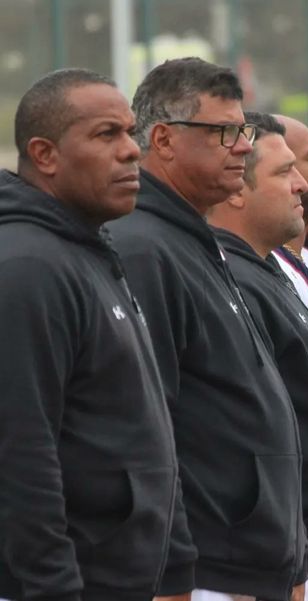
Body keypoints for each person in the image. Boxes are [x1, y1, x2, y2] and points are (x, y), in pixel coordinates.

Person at [109, 58, 305, 601]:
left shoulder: (191, 238)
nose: (243, 146)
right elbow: (148, 427)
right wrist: (169, 569)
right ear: (165, 140)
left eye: (241, 129)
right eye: (223, 131)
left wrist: (291, 556)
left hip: (246, 563)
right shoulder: (144, 247)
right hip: (202, 572)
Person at [0, 68, 183, 601]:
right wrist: (53, 588)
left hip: (119, 578)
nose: (132, 152)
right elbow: (19, 450)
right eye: (107, 135)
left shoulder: (88, 249)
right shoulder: (28, 267)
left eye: (131, 133)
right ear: (45, 154)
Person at [207, 112, 308, 601]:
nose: (302, 184)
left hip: (305, 553)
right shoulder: (227, 277)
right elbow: (236, 437)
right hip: (262, 566)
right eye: (284, 172)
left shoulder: (268, 271)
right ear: (236, 187)